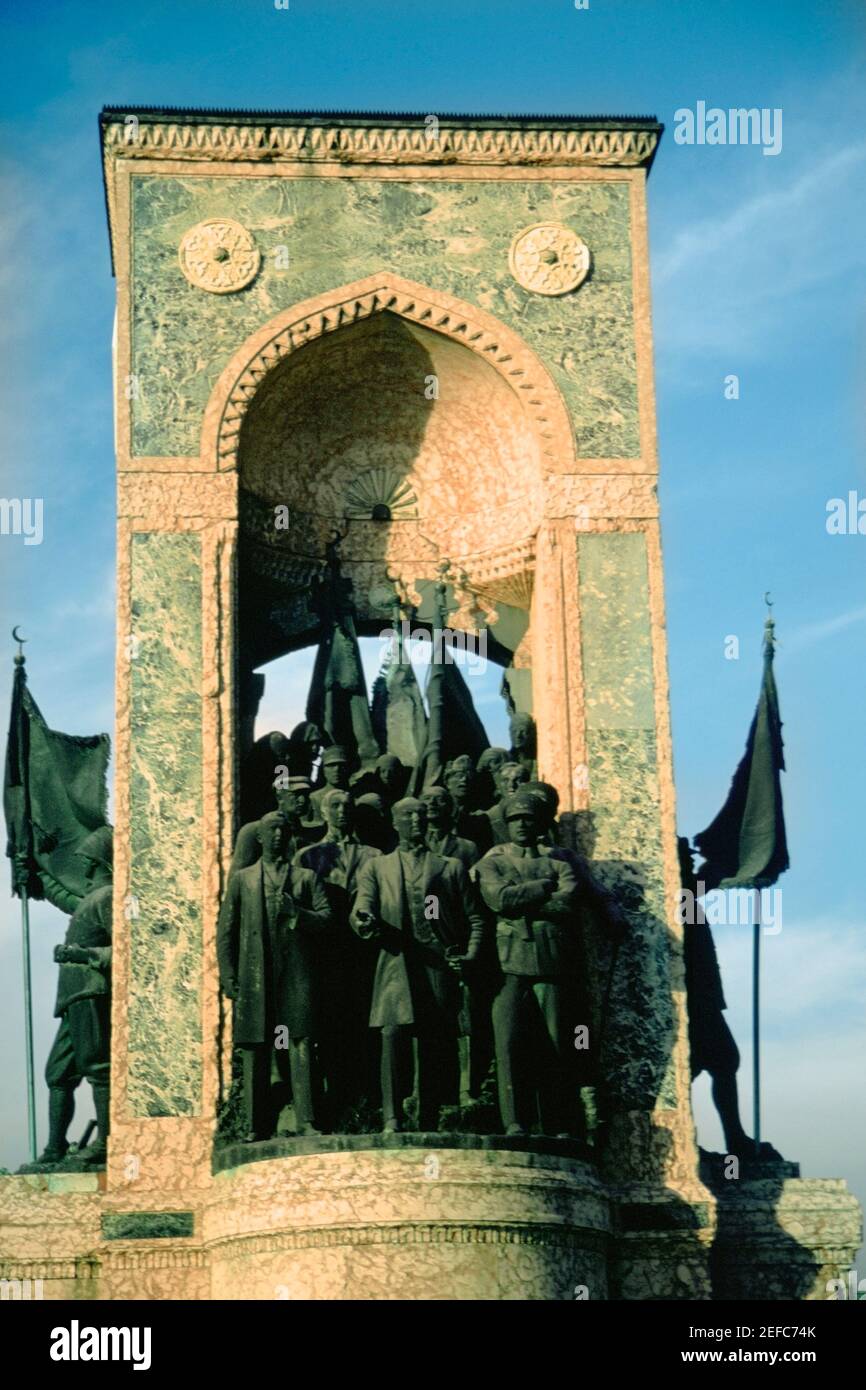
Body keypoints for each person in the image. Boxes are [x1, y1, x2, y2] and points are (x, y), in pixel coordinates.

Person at [351, 797, 484, 1133]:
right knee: (392, 1034)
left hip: (437, 963)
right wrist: (363, 920)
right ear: (395, 823)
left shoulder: (449, 866)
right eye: (407, 815)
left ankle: (427, 1117)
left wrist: (469, 954)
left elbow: (475, 917)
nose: (415, 820)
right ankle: (391, 1117)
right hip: (395, 962)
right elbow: (362, 905)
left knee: (433, 1040)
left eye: (420, 815)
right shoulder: (377, 867)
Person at [217, 811, 331, 1141]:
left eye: (283, 829)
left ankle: (308, 1120)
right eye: (272, 830)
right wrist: (228, 975)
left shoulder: (306, 878)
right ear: (261, 838)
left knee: (300, 1043)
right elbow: (226, 931)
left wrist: (299, 914)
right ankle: (255, 1125)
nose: (278, 836)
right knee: (256, 1049)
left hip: (296, 974)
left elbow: (327, 919)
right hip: (256, 976)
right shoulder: (243, 880)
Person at [477, 791, 582, 1137]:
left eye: (528, 819)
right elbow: (498, 899)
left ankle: (559, 1122)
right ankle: (514, 1122)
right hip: (507, 963)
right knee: (508, 1044)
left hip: (551, 962)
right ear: (506, 824)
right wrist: (540, 889)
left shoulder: (560, 863)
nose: (521, 825)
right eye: (514, 820)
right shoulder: (492, 861)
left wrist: (520, 901)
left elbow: (567, 906)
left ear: (539, 824)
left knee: (557, 1044)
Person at [679, 837, 782, 1162]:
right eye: (685, 858)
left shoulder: (684, 893)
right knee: (716, 1061)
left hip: (702, 995)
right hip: (690, 996)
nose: (691, 864)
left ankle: (728, 1139)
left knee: (715, 1062)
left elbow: (708, 878)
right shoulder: (676, 893)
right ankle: (727, 1141)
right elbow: (705, 880)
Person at [20, 826, 114, 1172]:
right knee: (57, 1073)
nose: (85, 872)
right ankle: (55, 1148)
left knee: (97, 1067)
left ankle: (106, 1141)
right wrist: (35, 874)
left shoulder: (107, 897)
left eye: (90, 864)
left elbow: (127, 948)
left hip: (91, 991)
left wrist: (83, 954)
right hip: (73, 998)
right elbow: (63, 895)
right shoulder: (92, 898)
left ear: (103, 863)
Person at [295, 789, 381, 1122]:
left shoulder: (373, 854)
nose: (342, 811)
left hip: (363, 951)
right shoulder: (308, 856)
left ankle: (365, 1098)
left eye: (347, 805)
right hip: (324, 953)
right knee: (329, 1025)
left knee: (363, 1022)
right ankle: (334, 1098)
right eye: (335, 806)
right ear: (323, 811)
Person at [229, 776, 318, 876]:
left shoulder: (309, 834)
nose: (302, 800)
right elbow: (237, 878)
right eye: (295, 795)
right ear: (280, 798)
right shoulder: (254, 831)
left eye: (305, 795)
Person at [421, 785, 478, 871]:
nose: (432, 802)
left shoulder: (467, 847)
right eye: (427, 798)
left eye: (440, 799)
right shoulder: (410, 845)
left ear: (449, 807)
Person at [485, 761, 530, 845]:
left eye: (518, 780)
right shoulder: (486, 818)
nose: (511, 785)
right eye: (505, 780)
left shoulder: (535, 817)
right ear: (498, 785)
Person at [310, 745, 351, 819]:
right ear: (323, 769)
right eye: (331, 765)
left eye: (341, 765)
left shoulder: (353, 796)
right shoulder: (314, 798)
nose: (337, 769)